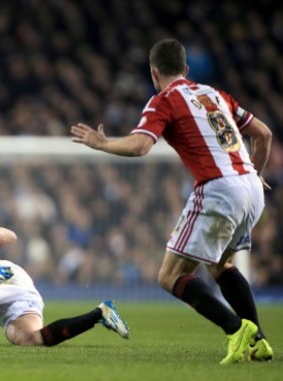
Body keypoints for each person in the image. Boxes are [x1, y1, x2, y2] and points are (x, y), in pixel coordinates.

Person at [70, 38, 273, 364]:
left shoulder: (163, 100)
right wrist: (256, 174)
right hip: (251, 186)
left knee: (169, 276)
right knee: (220, 265)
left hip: (220, 188)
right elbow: (263, 134)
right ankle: (258, 340)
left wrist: (101, 142)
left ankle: (237, 329)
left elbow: (139, 147)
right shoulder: (216, 94)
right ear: (186, 69)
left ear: (154, 73)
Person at [0, 227, 130, 346]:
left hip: (5, 275)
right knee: (31, 339)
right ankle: (100, 313)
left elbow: (10, 237)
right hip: (9, 301)